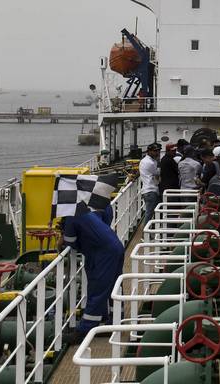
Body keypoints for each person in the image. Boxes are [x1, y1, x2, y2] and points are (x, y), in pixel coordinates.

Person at [62, 204, 124, 338]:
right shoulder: (96, 203)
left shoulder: (71, 214)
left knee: (98, 288)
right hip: (114, 246)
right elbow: (107, 216)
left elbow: (69, 240)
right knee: (114, 285)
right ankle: (115, 319)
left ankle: (85, 330)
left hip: (102, 253)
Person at [139, 143, 160, 226]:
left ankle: (148, 231)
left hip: (147, 190)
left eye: (158, 151)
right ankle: (146, 232)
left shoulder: (144, 160)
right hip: (151, 190)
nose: (157, 153)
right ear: (149, 151)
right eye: (155, 151)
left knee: (150, 212)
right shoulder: (151, 163)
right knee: (149, 213)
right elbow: (157, 174)